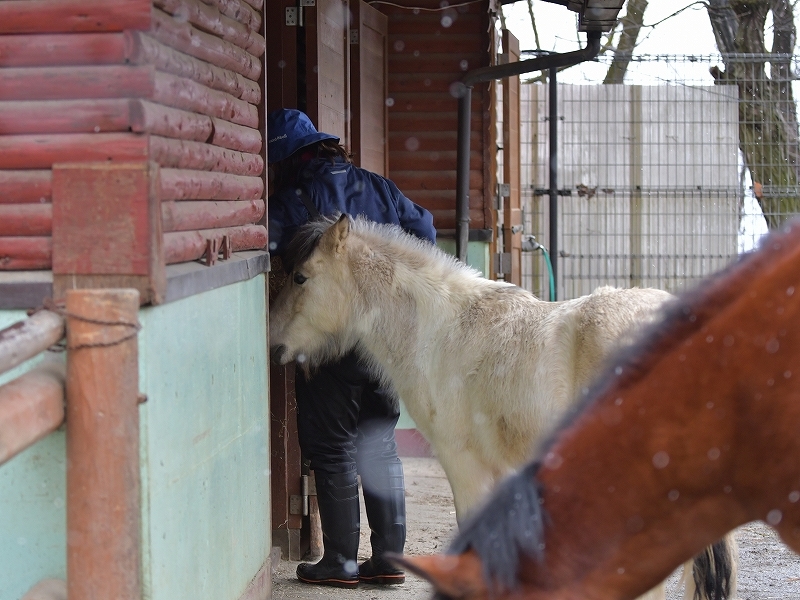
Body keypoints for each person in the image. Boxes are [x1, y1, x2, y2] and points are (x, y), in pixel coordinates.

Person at [267, 109, 436, 588]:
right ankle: (389, 560)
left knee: (332, 443)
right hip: (385, 334)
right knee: (380, 443)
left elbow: (272, 248)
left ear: (289, 158)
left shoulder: (290, 199)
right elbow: (423, 231)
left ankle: (340, 560)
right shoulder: (378, 186)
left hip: (330, 338)